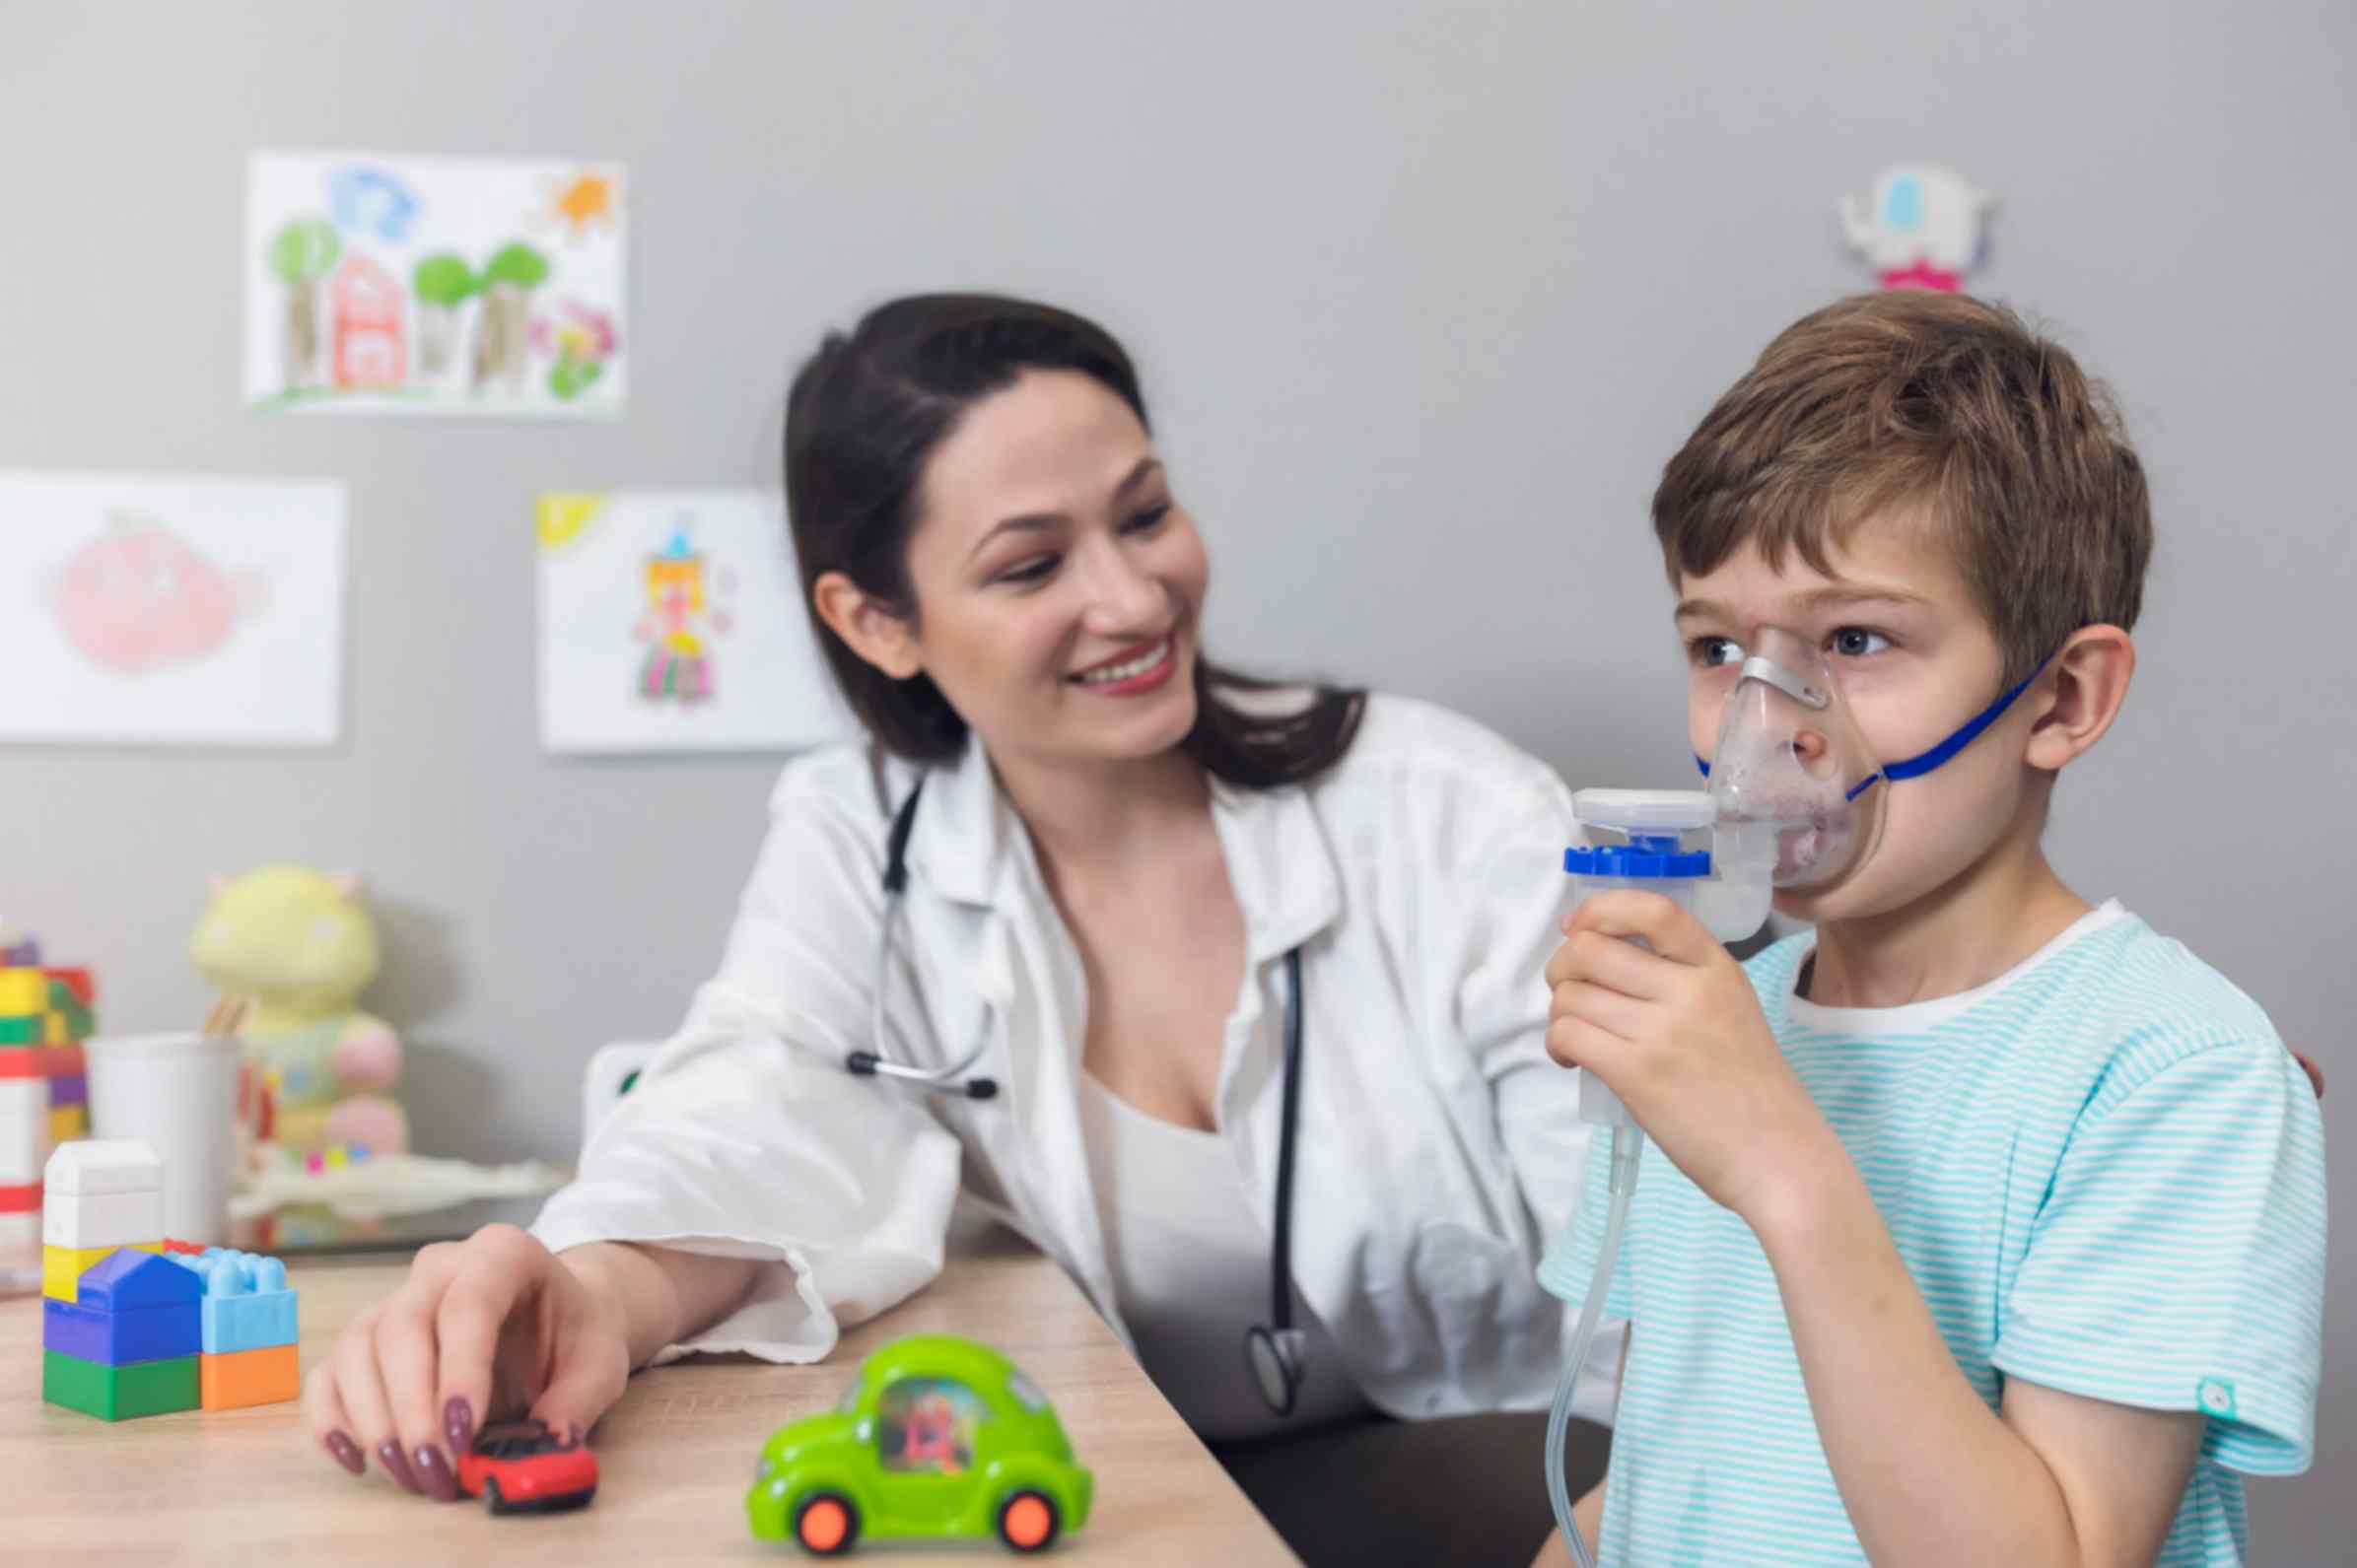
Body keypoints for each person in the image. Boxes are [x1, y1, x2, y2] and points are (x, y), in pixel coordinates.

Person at [306, 294, 1617, 1564]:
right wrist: (589, 1292)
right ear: (876, 622)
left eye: (1146, 514)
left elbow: (1662, 1261)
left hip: (1501, 1464)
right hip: (1119, 1478)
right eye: (1033, 564)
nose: (1134, 597)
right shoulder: (860, 835)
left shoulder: (1456, 816)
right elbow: (755, 1095)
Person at [1536, 292, 2326, 1566]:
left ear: (2061, 697)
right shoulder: (1720, 1031)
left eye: (1853, 639)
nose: (1764, 719)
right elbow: (1674, 1475)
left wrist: (1781, 1165)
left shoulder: (2173, 1073)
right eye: (1717, 644)